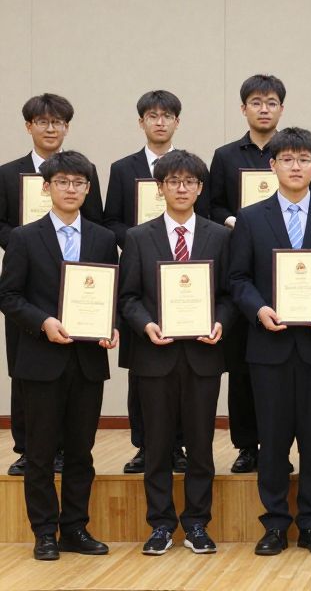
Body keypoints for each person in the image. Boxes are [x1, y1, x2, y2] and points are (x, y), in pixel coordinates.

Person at [228, 127, 311, 556]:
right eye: (287, 159)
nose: (295, 166)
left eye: (304, 159)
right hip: (269, 346)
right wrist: (259, 310)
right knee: (273, 439)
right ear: (273, 166)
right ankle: (276, 524)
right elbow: (238, 278)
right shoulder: (250, 217)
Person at [0, 151, 117, 561]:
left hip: (87, 362)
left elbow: (111, 294)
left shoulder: (103, 238)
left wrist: (111, 324)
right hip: (40, 361)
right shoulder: (24, 237)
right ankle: (44, 532)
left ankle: (75, 529)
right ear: (46, 187)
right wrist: (44, 322)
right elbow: (9, 296)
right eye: (63, 182)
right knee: (41, 453)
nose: (71, 189)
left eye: (79, 183)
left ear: (88, 188)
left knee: (82, 451)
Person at [118, 150, 233, 556]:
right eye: (173, 182)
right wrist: (144, 324)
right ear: (160, 188)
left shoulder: (220, 235)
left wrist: (221, 321)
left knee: (201, 446)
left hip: (202, 356)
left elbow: (228, 295)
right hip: (155, 356)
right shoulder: (137, 237)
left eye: (189, 182)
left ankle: (198, 523)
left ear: (201, 188)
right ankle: (161, 524)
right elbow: (128, 296)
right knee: (158, 446)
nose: (182, 188)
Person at [0, 94, 103, 477]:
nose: (50, 128)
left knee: (79, 428)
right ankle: (27, 446)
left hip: (84, 301)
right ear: (29, 126)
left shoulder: (84, 170)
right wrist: (26, 244)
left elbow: (99, 228)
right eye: (42, 122)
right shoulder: (7, 174)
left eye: (58, 122)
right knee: (27, 371)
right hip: (32, 287)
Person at [104, 90, 190, 475]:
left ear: (177, 122)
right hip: (142, 277)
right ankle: (144, 445)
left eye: (167, 115)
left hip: (187, 281)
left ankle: (178, 446)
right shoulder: (123, 169)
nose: (159, 121)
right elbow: (111, 222)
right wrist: (143, 242)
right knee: (142, 370)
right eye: (152, 116)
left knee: (184, 370)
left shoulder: (189, 170)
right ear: (141, 122)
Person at [208, 74, 285, 474]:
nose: (264, 109)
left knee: (282, 364)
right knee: (240, 362)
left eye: (271, 102)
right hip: (241, 265)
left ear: (281, 109)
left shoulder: (292, 151)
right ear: (244, 109)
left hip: (287, 272)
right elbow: (211, 206)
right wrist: (230, 220)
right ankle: (246, 445)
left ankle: (278, 445)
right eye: (256, 102)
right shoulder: (225, 156)